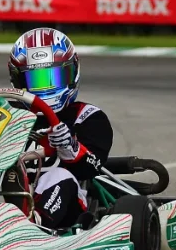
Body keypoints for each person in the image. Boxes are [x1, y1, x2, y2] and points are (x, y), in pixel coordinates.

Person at [7, 27, 114, 230]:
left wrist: (69, 147)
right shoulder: (8, 116)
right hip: (8, 196)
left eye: (53, 77)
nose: (46, 88)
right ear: (19, 81)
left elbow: (91, 167)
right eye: (36, 80)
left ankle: (33, 227)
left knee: (58, 176)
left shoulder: (87, 117)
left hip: (69, 207)